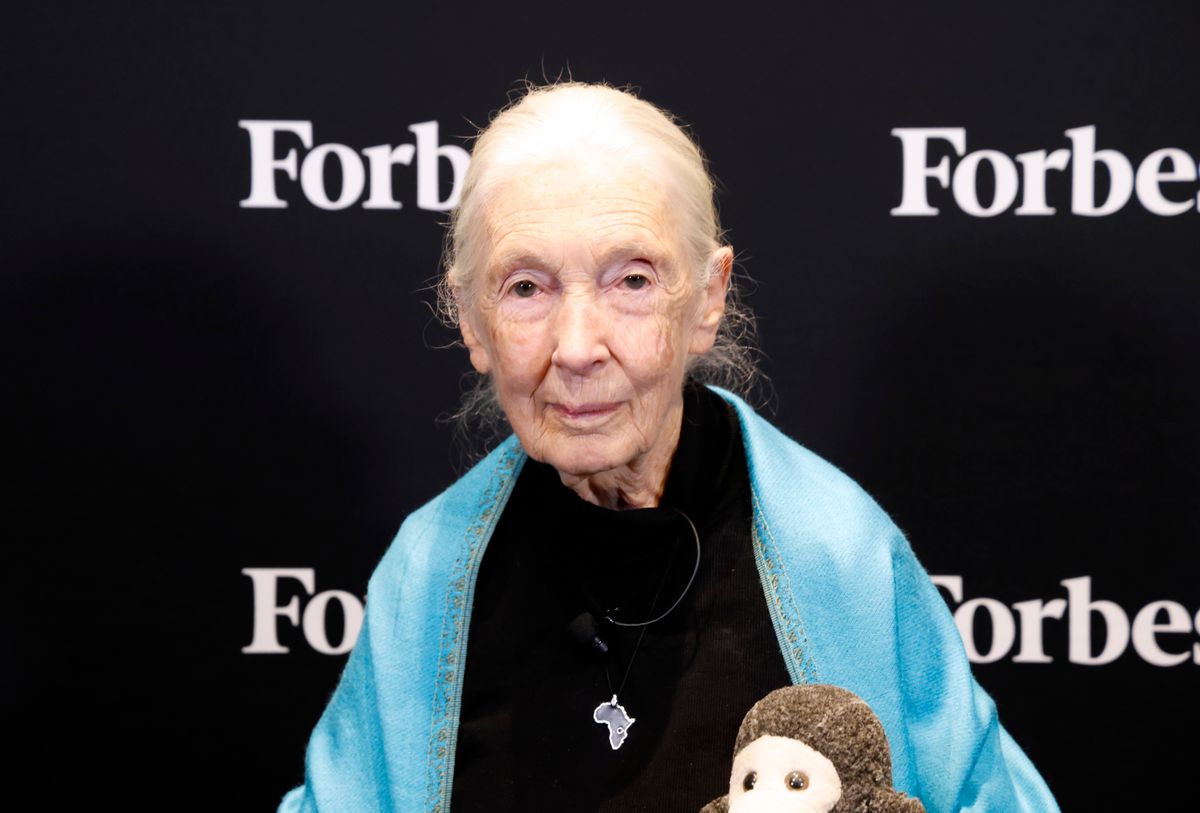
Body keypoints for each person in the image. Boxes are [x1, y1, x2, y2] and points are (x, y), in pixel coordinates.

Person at [278, 82, 1060, 812]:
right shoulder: (427, 575)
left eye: (632, 281)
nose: (577, 347)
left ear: (708, 298)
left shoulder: (841, 555)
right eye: (526, 287)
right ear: (471, 321)